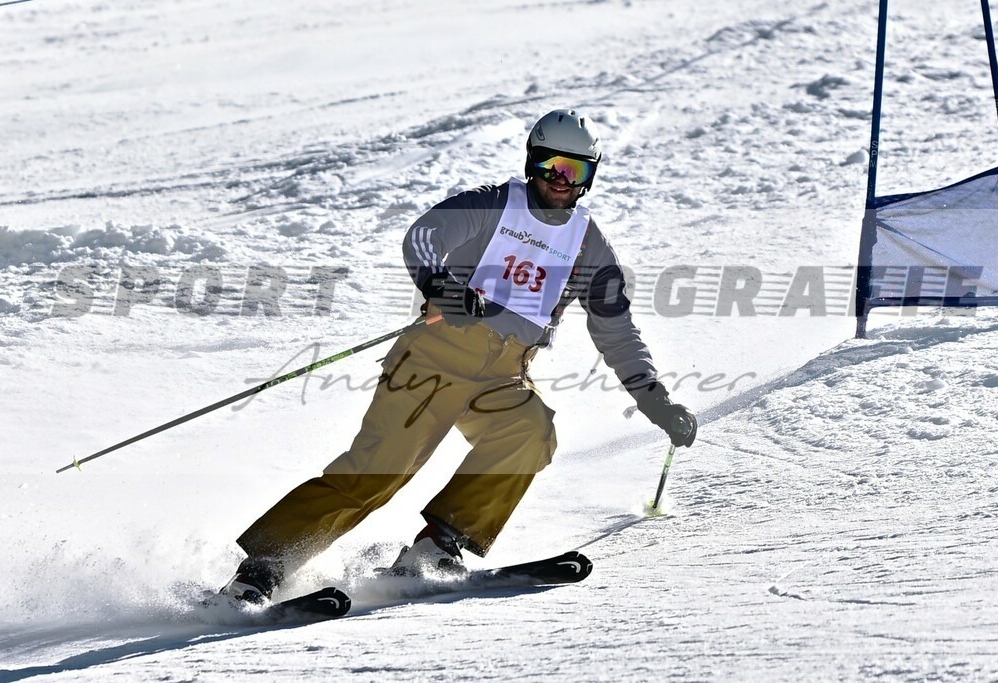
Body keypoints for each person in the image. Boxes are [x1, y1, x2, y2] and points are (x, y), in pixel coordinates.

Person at [220, 109, 698, 603]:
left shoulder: (587, 245)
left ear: (590, 177)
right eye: (552, 165)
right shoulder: (492, 206)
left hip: (504, 373)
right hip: (433, 360)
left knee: (532, 431)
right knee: (377, 473)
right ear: (533, 162)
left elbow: (616, 328)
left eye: (575, 171)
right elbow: (425, 236)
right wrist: (440, 285)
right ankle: (261, 572)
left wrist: (653, 400)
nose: (561, 180)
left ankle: (436, 546)